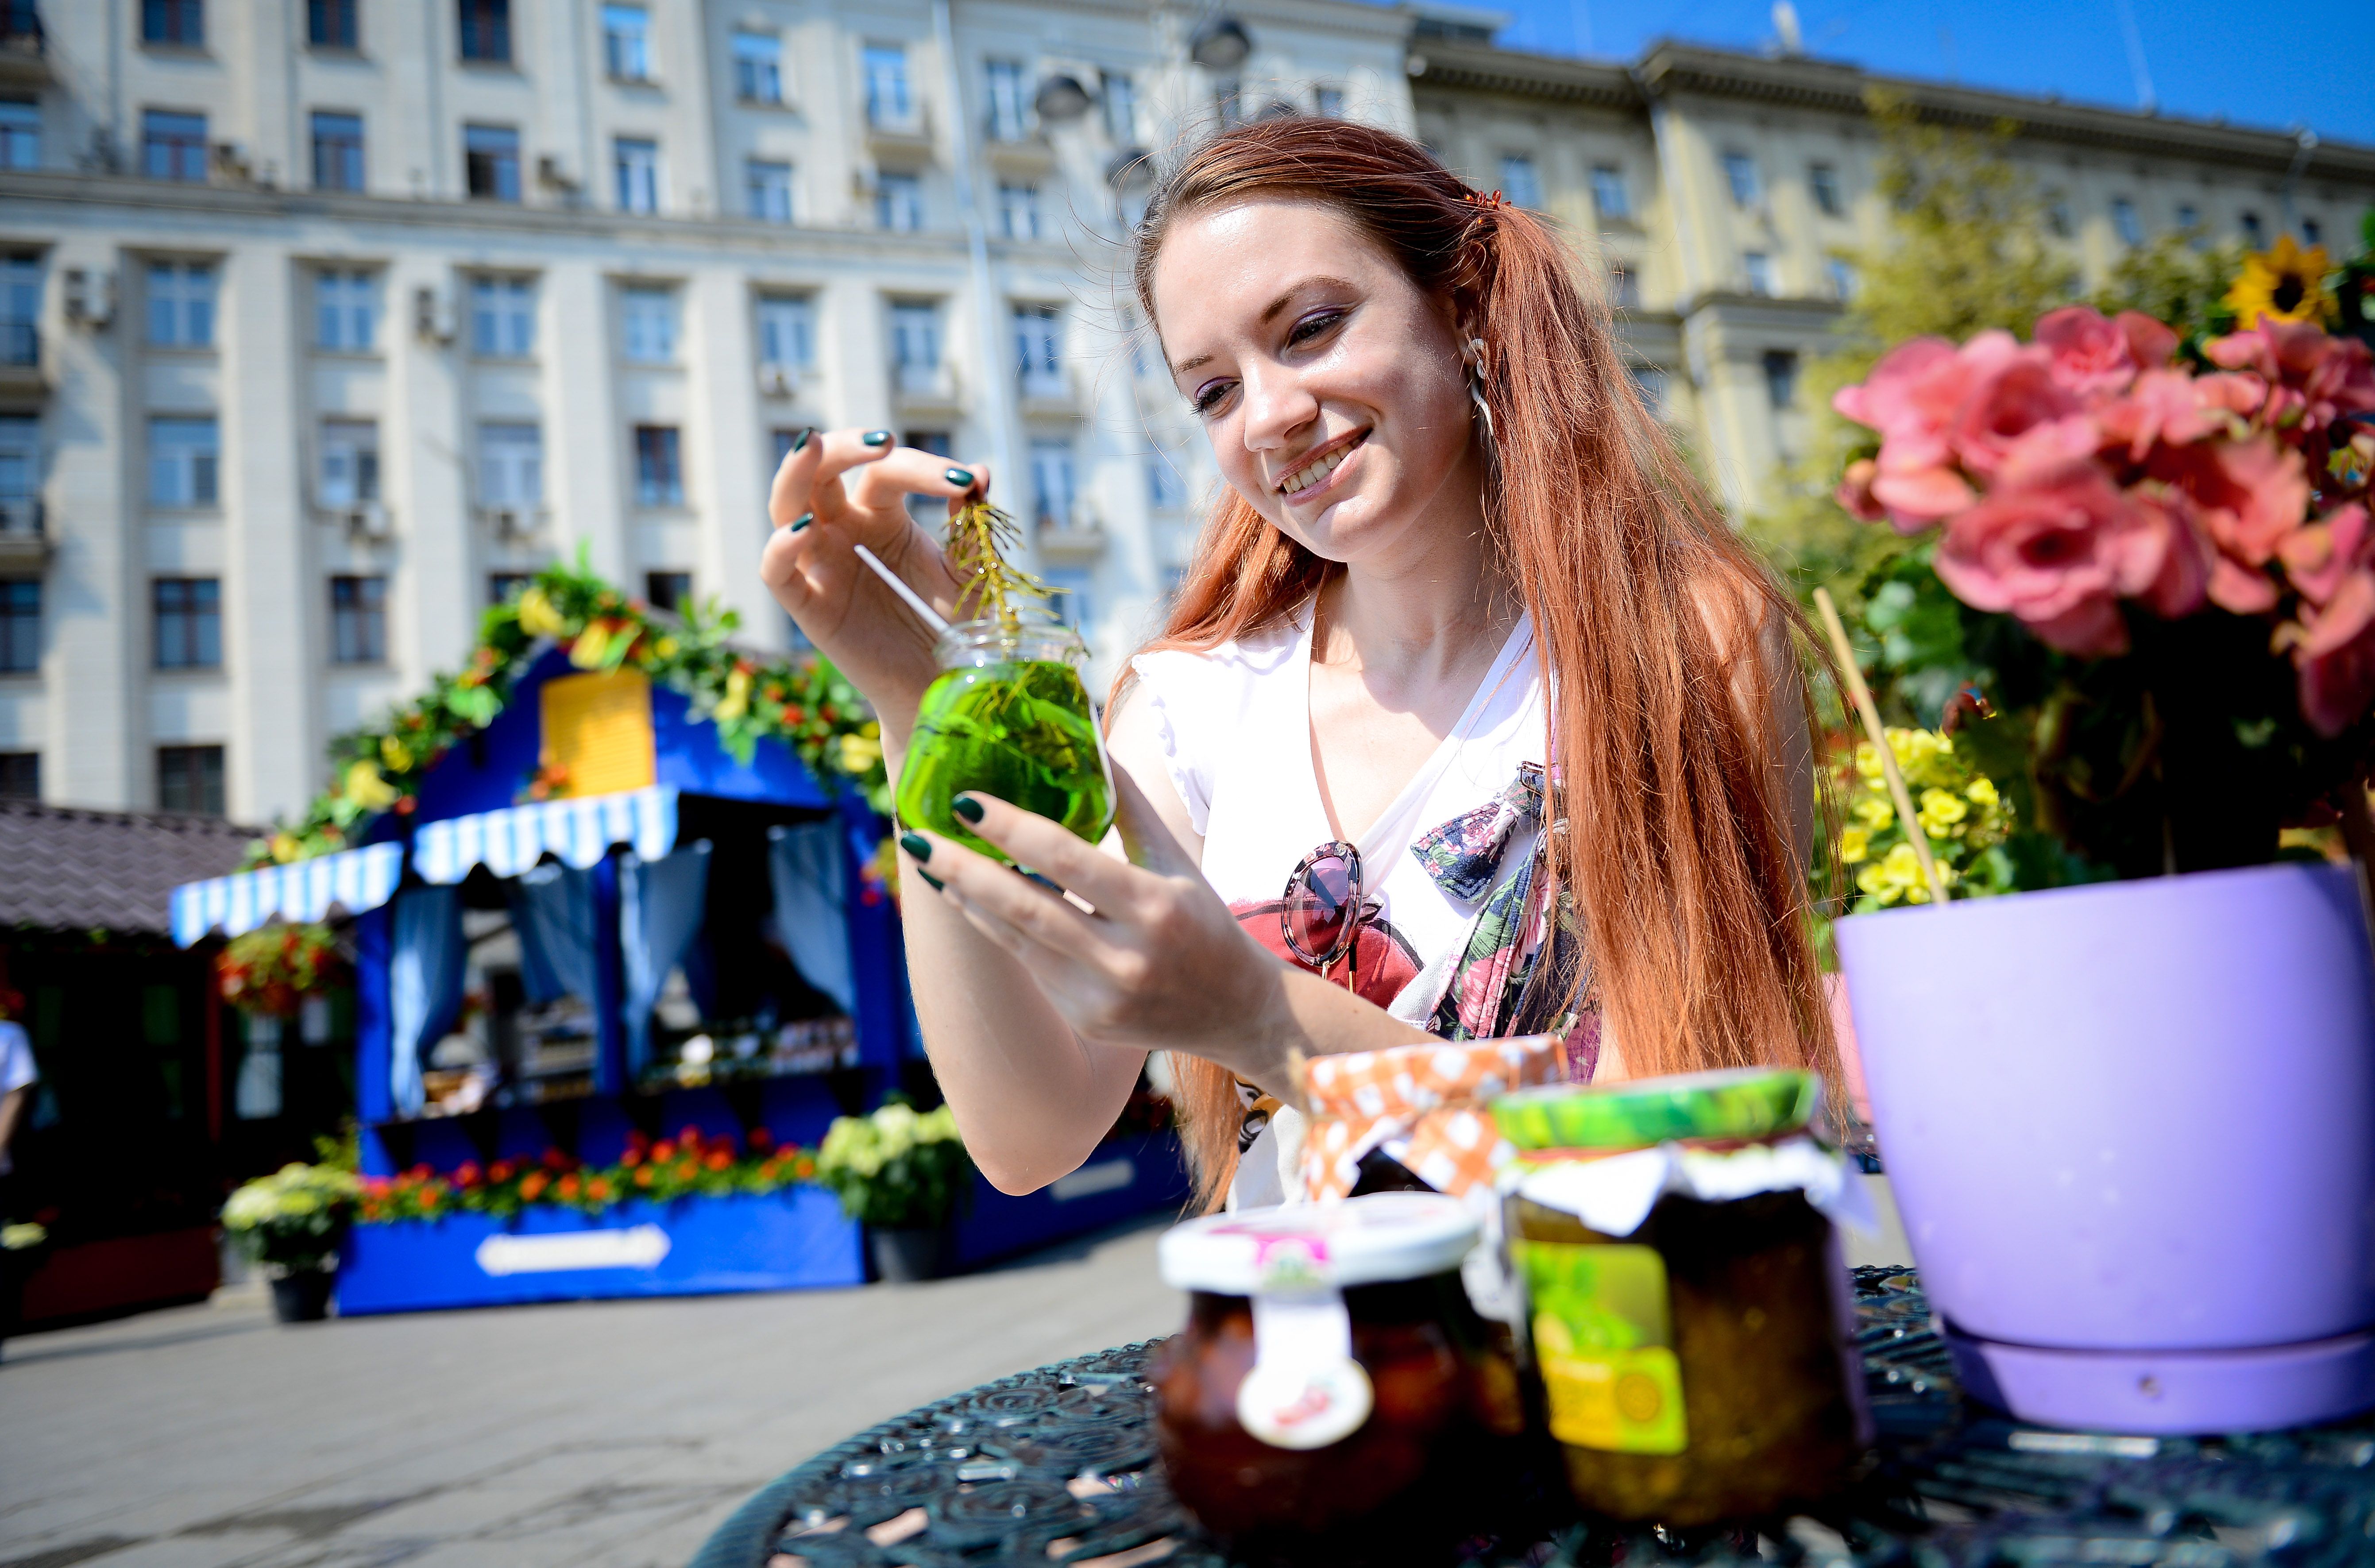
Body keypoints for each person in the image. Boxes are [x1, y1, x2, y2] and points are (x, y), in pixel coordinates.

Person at [761, 117, 1837, 1211]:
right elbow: (1026, 1134)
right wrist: (922, 713)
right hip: (1309, 1366)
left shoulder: (1684, 640)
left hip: (1610, 1356)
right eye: (1213, 390)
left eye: (1311, 328)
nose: (1268, 415)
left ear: (1459, 301)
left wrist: (1264, 1021)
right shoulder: (1193, 709)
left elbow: (1657, 1141)